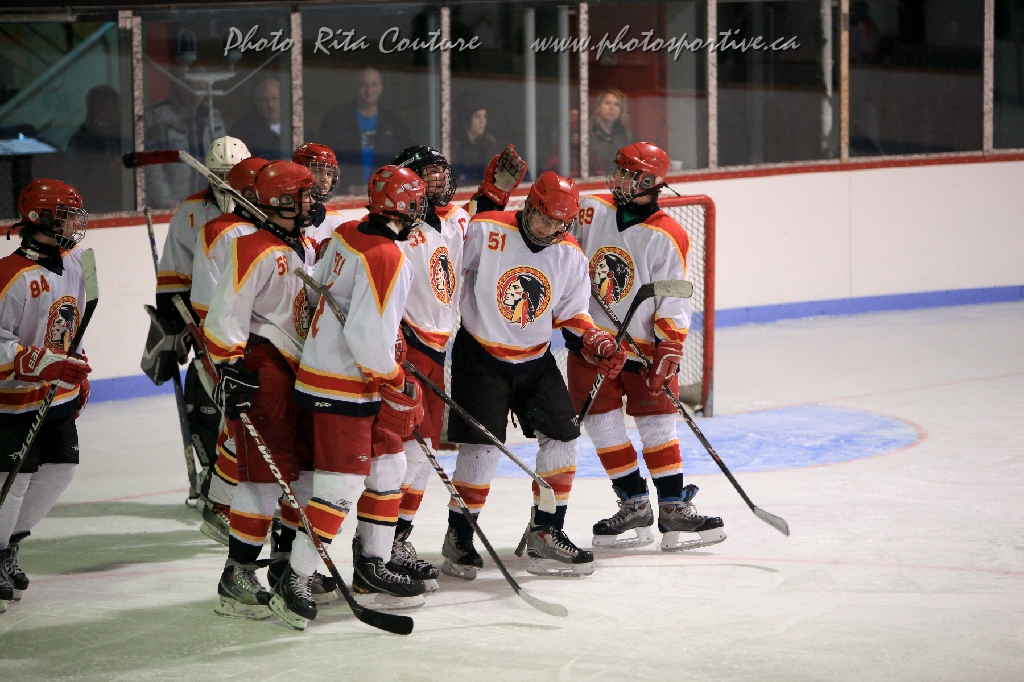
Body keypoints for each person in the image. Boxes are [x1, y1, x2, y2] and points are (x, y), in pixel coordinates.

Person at [440, 171, 626, 579]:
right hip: (481, 354)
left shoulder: (570, 254)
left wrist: (595, 339)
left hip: (535, 359)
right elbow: (444, 265)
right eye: (543, 217)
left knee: (564, 438)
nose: (548, 228)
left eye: (560, 223)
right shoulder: (487, 229)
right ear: (529, 206)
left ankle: (547, 531)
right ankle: (459, 535)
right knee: (482, 450)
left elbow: (573, 315)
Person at [287, 165, 428, 626]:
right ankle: (296, 575)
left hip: (345, 376)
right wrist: (394, 376)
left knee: (390, 467)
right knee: (340, 486)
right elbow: (368, 339)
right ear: (405, 209)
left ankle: (372, 567)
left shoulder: (348, 232)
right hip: (342, 383)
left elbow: (315, 296)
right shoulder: (388, 257)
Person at [570, 142, 726, 552]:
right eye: (619, 170)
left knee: (657, 424)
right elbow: (561, 253)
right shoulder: (590, 209)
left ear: (649, 182)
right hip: (592, 344)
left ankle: (673, 507)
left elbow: (673, 298)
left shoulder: (669, 234)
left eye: (628, 173)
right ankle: (634, 502)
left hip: (642, 350)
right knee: (601, 424)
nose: (618, 178)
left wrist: (669, 349)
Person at [387, 144, 527, 590]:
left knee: (422, 453)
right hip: (403, 349)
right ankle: (376, 544)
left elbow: (477, 224)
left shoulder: (455, 220)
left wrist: (494, 195)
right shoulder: (395, 227)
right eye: (427, 174)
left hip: (436, 350)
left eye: (440, 172)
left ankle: (395, 540)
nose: (438, 180)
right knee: (396, 455)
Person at [202, 161, 318, 622]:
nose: (311, 202)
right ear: (281, 201)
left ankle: (285, 563)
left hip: (301, 368)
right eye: (303, 195)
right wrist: (229, 367)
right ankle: (237, 573)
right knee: (264, 478)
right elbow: (225, 312)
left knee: (302, 472)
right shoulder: (252, 247)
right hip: (264, 367)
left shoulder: (303, 244)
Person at [142, 136, 249, 514]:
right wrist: (174, 324)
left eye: (233, 174)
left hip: (253, 330)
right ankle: (212, 478)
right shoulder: (190, 212)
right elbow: (174, 275)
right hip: (206, 328)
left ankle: (252, 482)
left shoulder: (261, 208)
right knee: (204, 403)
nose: (226, 181)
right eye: (218, 174)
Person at [0, 180, 92, 612]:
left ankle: (10, 545)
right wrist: (40, 363)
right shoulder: (9, 276)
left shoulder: (75, 263)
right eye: (66, 217)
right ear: (40, 220)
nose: (75, 224)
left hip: (56, 399)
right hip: (12, 401)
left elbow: (72, 325)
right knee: (14, 481)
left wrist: (77, 366)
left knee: (60, 470)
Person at [318, 69, 411, 195]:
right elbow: (323, 159)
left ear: (381, 88)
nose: (369, 90)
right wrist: (345, 187)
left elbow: (405, 159)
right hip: (344, 195)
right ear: (356, 88)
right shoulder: (336, 119)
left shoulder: (393, 121)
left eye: (374, 85)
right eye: (364, 85)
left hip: (385, 195)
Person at [144, 81, 227, 209]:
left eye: (200, 89)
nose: (195, 95)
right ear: (179, 85)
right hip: (174, 206)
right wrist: (167, 202)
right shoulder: (157, 114)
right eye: (191, 88)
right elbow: (152, 165)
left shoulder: (213, 115)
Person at [66, 85, 124, 213]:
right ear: (98, 109)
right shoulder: (82, 140)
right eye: (113, 105)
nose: (118, 109)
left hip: (121, 202)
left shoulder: (123, 133)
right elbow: (79, 176)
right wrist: (109, 168)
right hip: (94, 207)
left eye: (118, 104)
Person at [230, 76, 285, 161]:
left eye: (275, 99)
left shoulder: (299, 128)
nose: (270, 104)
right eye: (264, 99)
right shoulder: (243, 131)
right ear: (257, 102)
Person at [589, 89, 634, 176]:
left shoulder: (626, 134)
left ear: (621, 110)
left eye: (617, 104)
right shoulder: (588, 133)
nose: (612, 107)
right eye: (607, 103)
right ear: (598, 107)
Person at [451, 98, 497, 184]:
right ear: (466, 118)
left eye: (484, 116)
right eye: (477, 116)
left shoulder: (488, 142)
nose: (482, 121)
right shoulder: (455, 144)